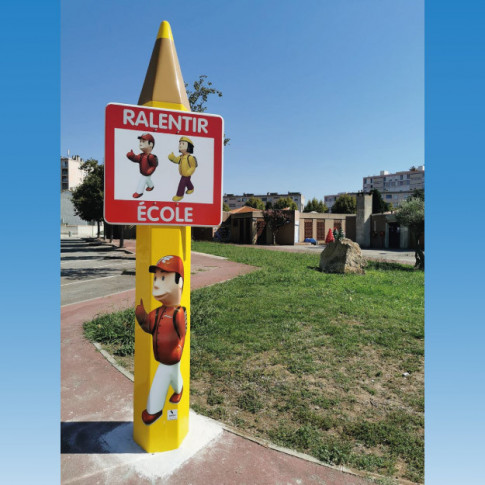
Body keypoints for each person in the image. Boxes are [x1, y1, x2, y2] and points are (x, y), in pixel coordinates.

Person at [135, 255, 187, 425]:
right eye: (156, 278)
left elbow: (182, 333)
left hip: (170, 357)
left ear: (179, 283)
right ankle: (179, 389)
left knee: (160, 380)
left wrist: (178, 347)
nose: (156, 283)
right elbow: (148, 327)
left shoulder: (178, 313)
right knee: (174, 375)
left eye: (163, 278)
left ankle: (153, 410)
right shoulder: (157, 313)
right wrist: (142, 316)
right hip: (166, 357)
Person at [127, 133, 158, 198]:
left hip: (147, 172)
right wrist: (132, 156)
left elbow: (154, 165)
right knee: (148, 179)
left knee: (143, 180)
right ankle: (151, 186)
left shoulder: (151, 157)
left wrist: (151, 170)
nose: (140, 143)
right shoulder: (141, 155)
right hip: (145, 172)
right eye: (140, 141)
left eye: (143, 141)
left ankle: (139, 192)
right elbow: (136, 159)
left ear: (151, 144)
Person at [168, 136, 197, 201]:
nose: (180, 145)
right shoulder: (181, 157)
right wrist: (172, 158)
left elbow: (193, 166)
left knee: (182, 183)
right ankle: (191, 188)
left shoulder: (190, 158)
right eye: (180, 144)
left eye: (183, 144)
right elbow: (176, 160)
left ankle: (179, 195)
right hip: (183, 174)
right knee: (187, 182)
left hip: (186, 174)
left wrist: (189, 172)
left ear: (189, 147)